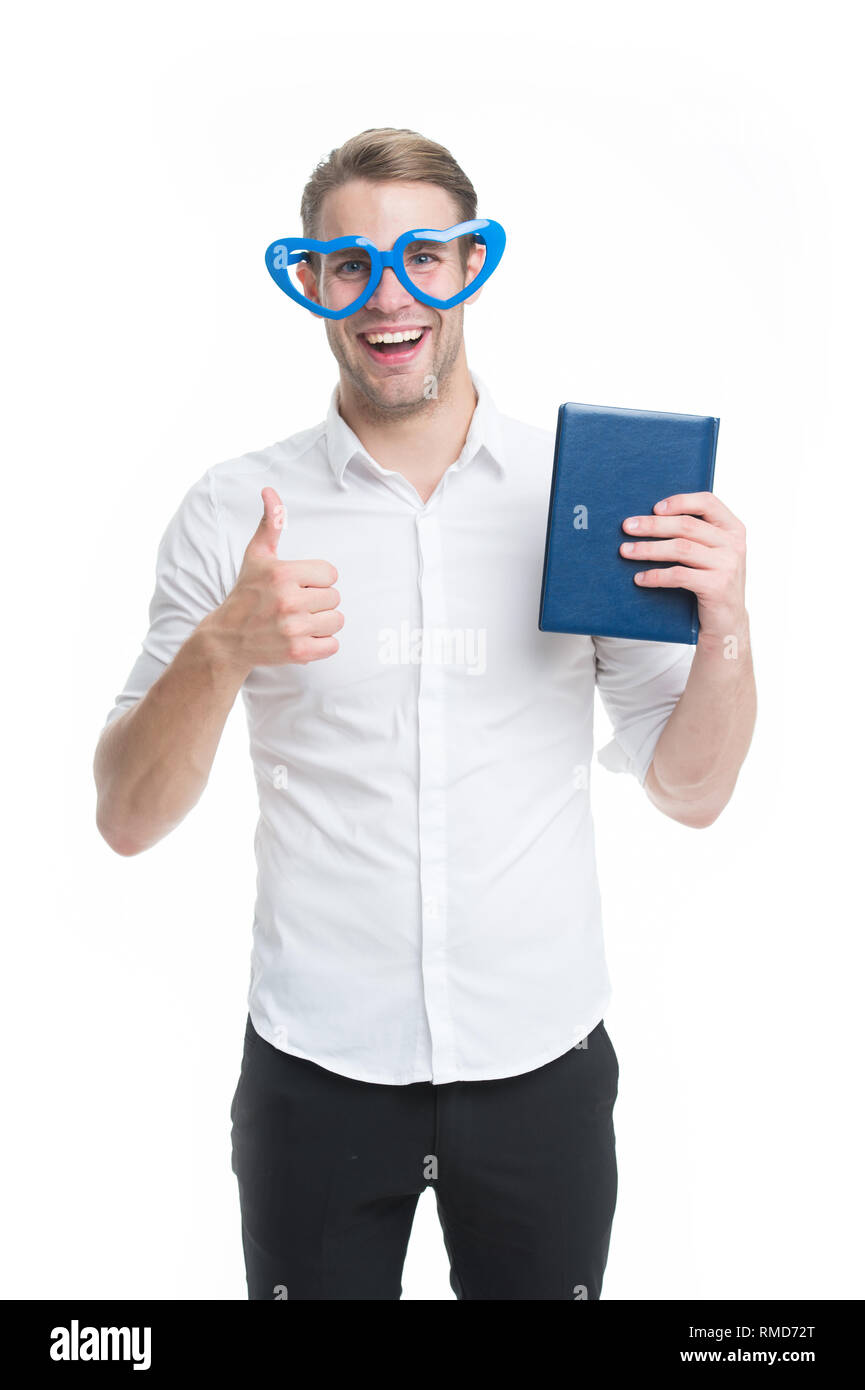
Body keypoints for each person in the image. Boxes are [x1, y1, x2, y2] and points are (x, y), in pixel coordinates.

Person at [93, 127, 756, 1300]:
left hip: (540, 1062)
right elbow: (127, 819)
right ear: (310, 281)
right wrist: (222, 648)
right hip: (316, 1068)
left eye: (422, 255)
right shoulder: (232, 512)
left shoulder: (579, 495)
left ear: (469, 268)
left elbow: (690, 792)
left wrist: (726, 627)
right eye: (349, 263)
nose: (387, 292)